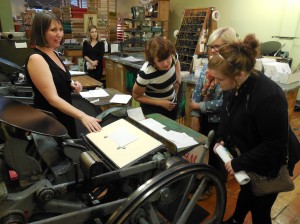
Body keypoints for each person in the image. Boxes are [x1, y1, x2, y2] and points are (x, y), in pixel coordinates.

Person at [208, 34, 289, 224]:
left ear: (240, 74)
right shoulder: (234, 85)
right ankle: (236, 219)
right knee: (247, 191)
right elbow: (226, 113)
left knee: (260, 208)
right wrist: (221, 137)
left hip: (270, 164)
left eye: (219, 80)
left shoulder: (269, 96)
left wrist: (239, 162)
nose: (216, 83)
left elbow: (275, 145)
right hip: (249, 152)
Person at [25, 12, 101, 139]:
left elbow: (57, 77)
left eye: (60, 29)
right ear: (40, 32)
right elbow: (52, 98)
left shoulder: (53, 53)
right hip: (52, 120)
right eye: (53, 30)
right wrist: (82, 115)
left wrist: (71, 84)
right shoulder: (37, 59)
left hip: (65, 113)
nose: (59, 34)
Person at [189, 27, 238, 198]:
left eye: (218, 46)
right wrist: (195, 116)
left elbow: (226, 102)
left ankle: (212, 184)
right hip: (204, 119)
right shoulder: (208, 66)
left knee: (218, 158)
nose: (214, 50)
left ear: (230, 45)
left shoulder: (233, 70)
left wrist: (200, 107)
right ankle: (201, 181)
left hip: (221, 122)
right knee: (202, 153)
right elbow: (196, 93)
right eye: (212, 47)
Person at [132, 36, 181, 120]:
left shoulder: (172, 56)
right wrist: (160, 103)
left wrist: (178, 81)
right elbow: (136, 96)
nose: (166, 64)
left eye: (167, 58)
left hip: (171, 105)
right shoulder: (146, 72)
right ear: (152, 60)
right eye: (160, 61)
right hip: (153, 109)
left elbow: (177, 61)